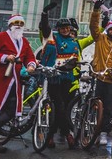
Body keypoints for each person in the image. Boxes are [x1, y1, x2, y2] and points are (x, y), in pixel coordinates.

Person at [0, 14, 37, 153]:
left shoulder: (24, 41)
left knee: (11, 109)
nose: (18, 25)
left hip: (14, 81)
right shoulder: (0, 37)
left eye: (21, 23)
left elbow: (29, 56)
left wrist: (31, 65)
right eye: (16, 23)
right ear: (10, 25)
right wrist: (5, 57)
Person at [89, 0, 112, 146]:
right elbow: (93, 27)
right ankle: (92, 128)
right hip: (98, 76)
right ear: (108, 30)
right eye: (111, 29)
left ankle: (104, 132)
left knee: (109, 108)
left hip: (111, 79)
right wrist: (96, 11)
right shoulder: (100, 39)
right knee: (95, 105)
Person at [40, 18, 80, 149]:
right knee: (60, 106)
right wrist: (44, 15)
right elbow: (45, 29)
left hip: (68, 78)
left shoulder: (74, 42)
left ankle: (50, 135)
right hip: (54, 78)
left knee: (61, 109)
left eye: (67, 27)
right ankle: (67, 134)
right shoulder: (52, 38)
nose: (65, 30)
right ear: (58, 29)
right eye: (62, 28)